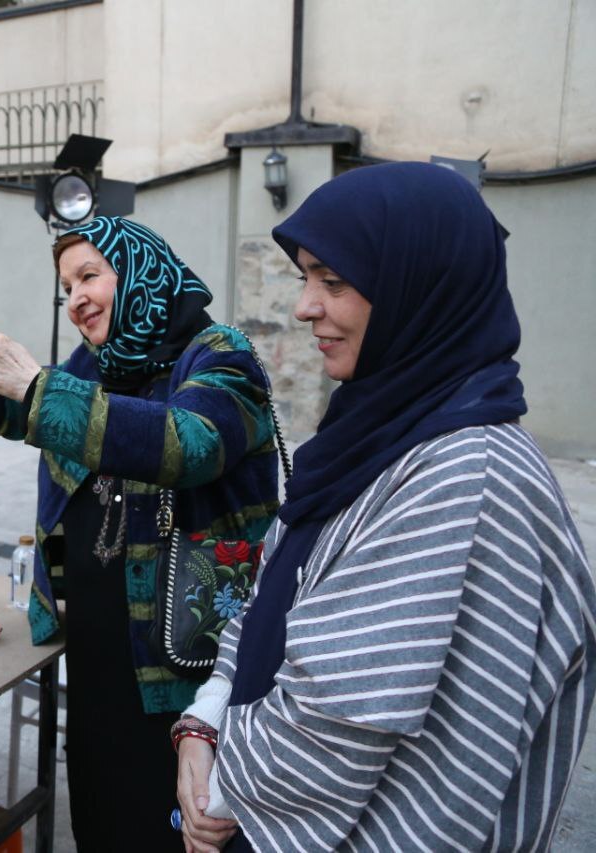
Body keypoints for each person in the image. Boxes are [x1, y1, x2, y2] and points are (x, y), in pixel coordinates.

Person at [174, 163, 596, 852]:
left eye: (333, 280)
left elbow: (337, 718)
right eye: (306, 276)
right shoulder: (375, 428)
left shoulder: (466, 471)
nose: (306, 305)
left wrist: (219, 791)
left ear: (420, 287)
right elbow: (271, 600)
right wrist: (205, 719)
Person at [0, 216, 281, 849]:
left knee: (168, 820)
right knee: (102, 808)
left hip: (184, 660)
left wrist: (39, 386)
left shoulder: (220, 355)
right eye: (65, 286)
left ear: (142, 270)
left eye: (88, 275)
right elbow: (23, 412)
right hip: (99, 646)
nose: (74, 299)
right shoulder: (96, 363)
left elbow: (192, 443)